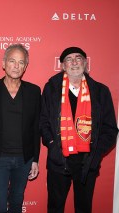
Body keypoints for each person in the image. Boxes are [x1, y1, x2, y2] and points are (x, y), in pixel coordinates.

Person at [40, 46, 118, 213]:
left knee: (83, 208)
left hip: (87, 162)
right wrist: (52, 144)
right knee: (55, 207)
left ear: (85, 63)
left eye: (78, 58)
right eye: (69, 59)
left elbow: (110, 129)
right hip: (59, 160)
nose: (74, 62)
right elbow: (43, 121)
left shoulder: (100, 91)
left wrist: (96, 153)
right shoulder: (51, 88)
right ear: (62, 66)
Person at [0, 44, 41, 213]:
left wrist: (35, 159)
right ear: (3, 63)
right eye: (12, 61)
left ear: (25, 66)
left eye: (21, 62)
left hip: (24, 159)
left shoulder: (34, 91)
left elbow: (36, 127)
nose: (16, 66)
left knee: (16, 202)